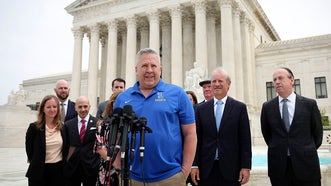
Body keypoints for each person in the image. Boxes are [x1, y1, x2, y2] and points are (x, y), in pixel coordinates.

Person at [114, 48, 197, 185]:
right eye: (144, 66)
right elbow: (117, 135)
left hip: (170, 177)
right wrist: (118, 168)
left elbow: (190, 133)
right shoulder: (123, 98)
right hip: (132, 178)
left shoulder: (177, 94)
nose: (149, 70)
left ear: (160, 69)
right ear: (136, 70)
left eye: (153, 66)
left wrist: (184, 171)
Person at [260, 67, 323, 186]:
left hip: (306, 166)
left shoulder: (309, 105)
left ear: (292, 80)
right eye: (274, 79)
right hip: (279, 168)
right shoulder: (267, 107)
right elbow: (267, 134)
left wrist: (304, 149)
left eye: (280, 78)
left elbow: (318, 134)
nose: (277, 82)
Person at [191, 67, 252, 186]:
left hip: (231, 170)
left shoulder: (239, 108)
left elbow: (245, 140)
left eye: (220, 81)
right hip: (206, 169)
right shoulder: (200, 109)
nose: (216, 84)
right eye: (214, 81)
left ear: (228, 85)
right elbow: (196, 139)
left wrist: (246, 167)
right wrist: (194, 164)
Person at [25, 95, 66, 186]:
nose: (52, 109)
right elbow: (29, 150)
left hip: (58, 172)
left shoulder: (63, 127)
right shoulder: (34, 127)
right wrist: (36, 162)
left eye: (54, 107)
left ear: (58, 109)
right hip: (39, 172)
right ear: (43, 109)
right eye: (48, 107)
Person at [63, 96, 100, 186]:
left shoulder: (98, 123)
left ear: (89, 107)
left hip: (91, 168)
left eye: (85, 106)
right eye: (80, 107)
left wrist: (95, 164)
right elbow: (65, 146)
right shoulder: (68, 125)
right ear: (75, 107)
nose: (83, 109)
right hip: (72, 168)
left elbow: (100, 144)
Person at [95, 92, 121, 186]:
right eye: (117, 101)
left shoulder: (130, 124)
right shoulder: (102, 124)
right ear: (112, 104)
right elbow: (99, 147)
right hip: (107, 168)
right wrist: (117, 165)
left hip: (127, 169)